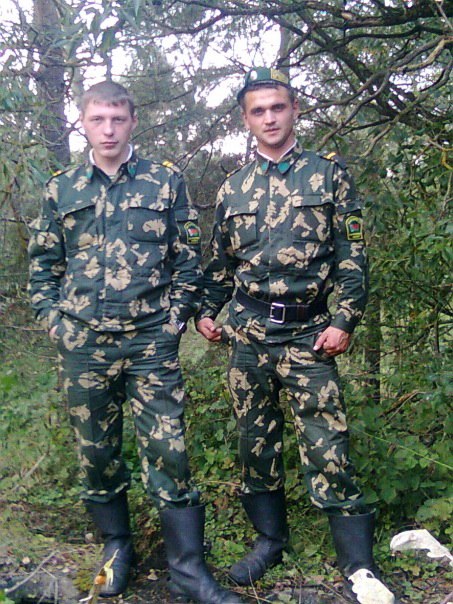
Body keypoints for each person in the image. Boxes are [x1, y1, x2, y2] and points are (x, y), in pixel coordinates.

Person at [28, 80, 243, 604]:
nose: (108, 130)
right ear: (83, 122)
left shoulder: (164, 182)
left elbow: (187, 262)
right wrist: (56, 323)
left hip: (150, 343)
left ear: (132, 122)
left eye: (117, 119)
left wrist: (173, 323)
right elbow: (43, 267)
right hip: (84, 344)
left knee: (170, 451)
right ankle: (116, 549)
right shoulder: (62, 189)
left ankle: (187, 569)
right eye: (98, 119)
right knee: (96, 453)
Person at [196, 67, 396, 603]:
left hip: (309, 332)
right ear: (246, 120)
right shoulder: (233, 187)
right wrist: (206, 312)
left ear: (295, 110)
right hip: (248, 335)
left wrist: (344, 319)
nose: (269, 118)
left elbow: (352, 256)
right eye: (258, 111)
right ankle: (269, 543)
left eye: (277, 107)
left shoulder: (328, 176)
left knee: (328, 443)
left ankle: (358, 564)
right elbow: (219, 264)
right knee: (255, 441)